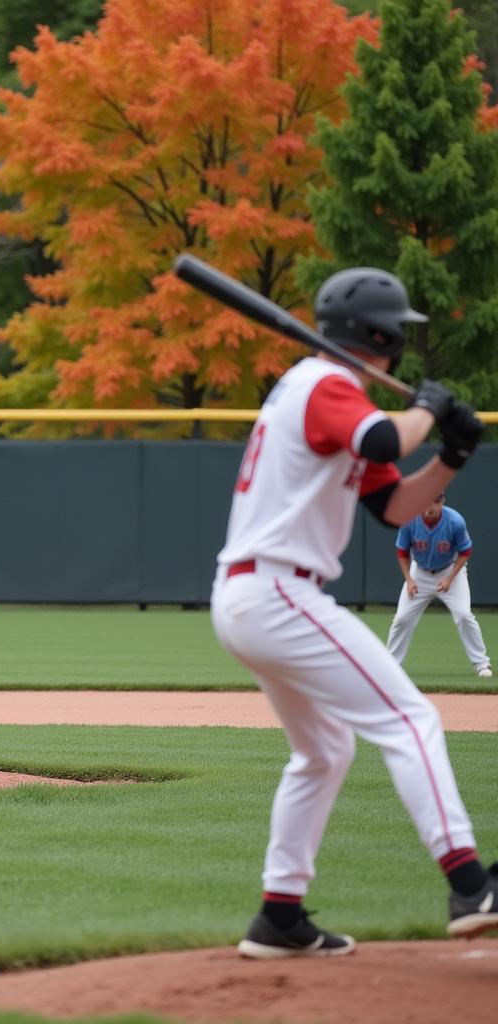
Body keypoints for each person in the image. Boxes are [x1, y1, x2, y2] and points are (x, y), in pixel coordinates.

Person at [209, 266, 498, 959]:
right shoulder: (326, 384)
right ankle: (468, 884)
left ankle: (279, 916)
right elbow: (380, 441)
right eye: (397, 332)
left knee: (325, 749)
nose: (401, 343)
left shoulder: (324, 392)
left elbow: (392, 505)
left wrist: (451, 453)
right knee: (408, 717)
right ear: (380, 335)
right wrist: (428, 411)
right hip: (277, 590)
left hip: (256, 594)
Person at [386, 491, 492, 678]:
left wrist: (450, 578)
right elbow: (402, 552)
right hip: (419, 573)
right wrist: (409, 580)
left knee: (464, 615)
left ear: (442, 502)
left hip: (449, 571)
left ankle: (482, 664)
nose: (429, 507)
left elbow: (465, 552)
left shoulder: (455, 521)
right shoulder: (410, 520)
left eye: (434, 503)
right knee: (402, 619)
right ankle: (391, 665)